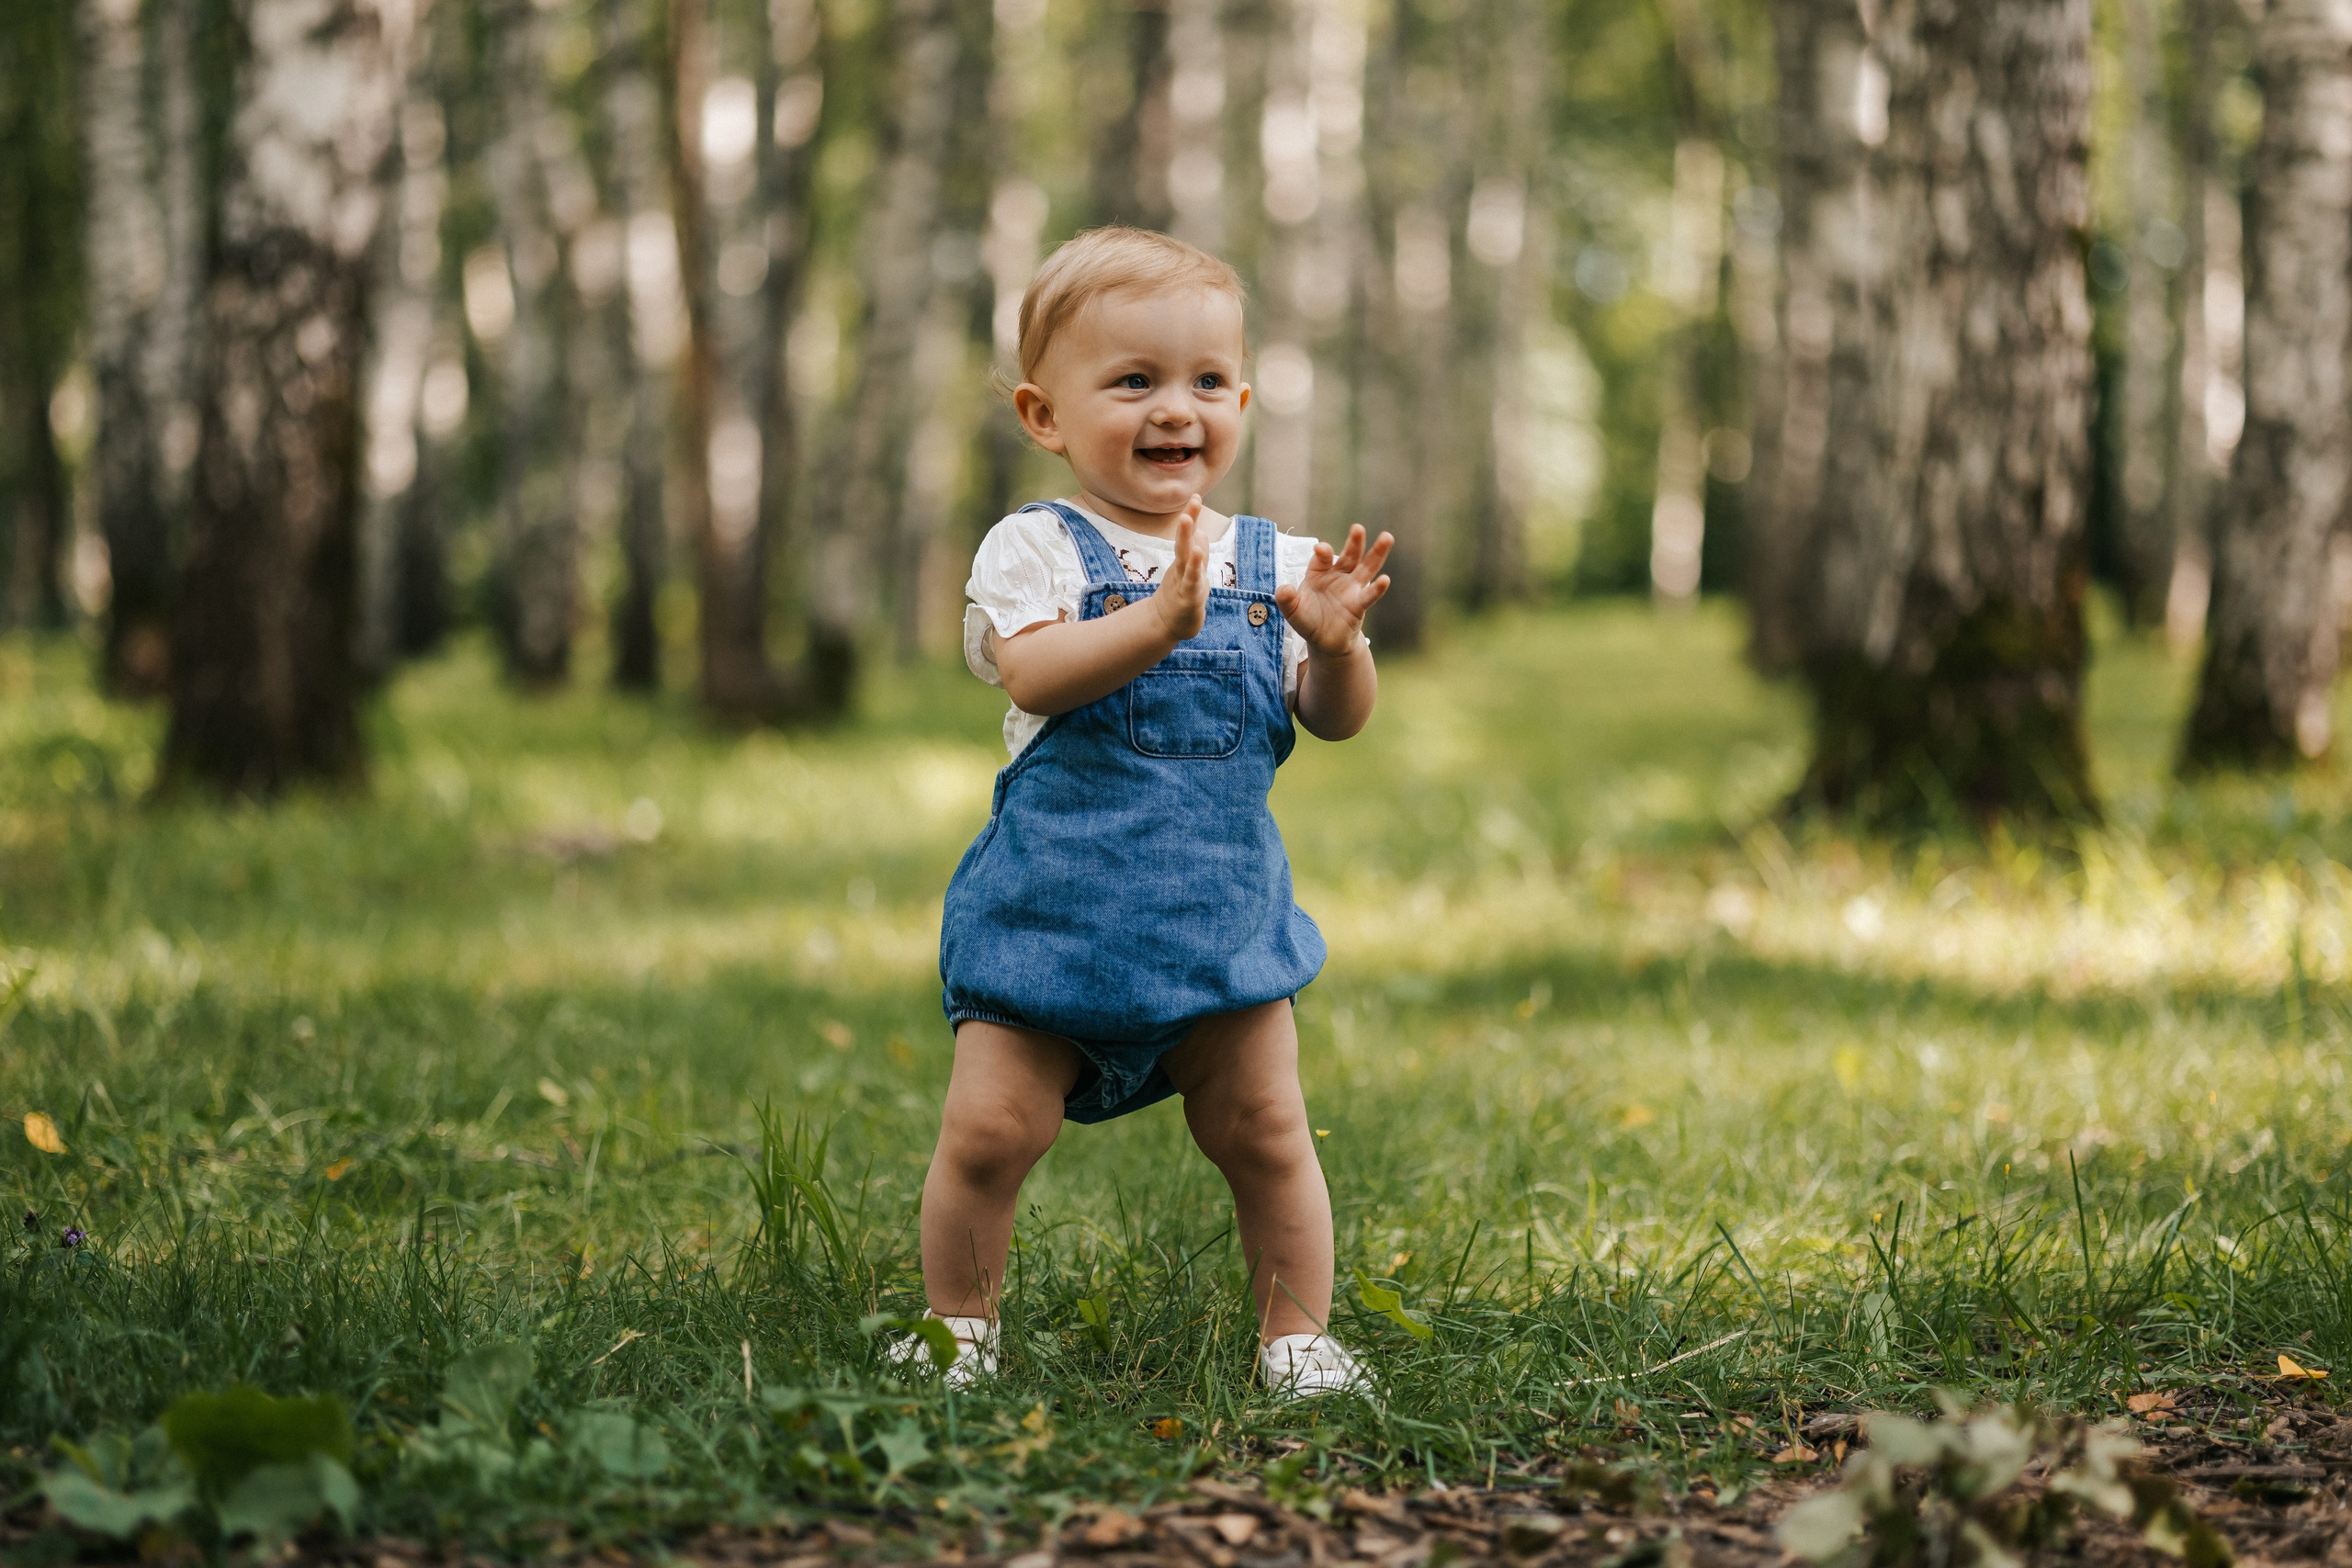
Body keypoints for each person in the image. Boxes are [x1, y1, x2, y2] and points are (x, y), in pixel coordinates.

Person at [917, 227, 1395, 1398]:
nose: (1176, 408)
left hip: (1221, 936)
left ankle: (1297, 1341)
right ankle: (958, 1334)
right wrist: (1155, 622)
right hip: (1050, 929)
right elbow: (1033, 673)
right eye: (1133, 380)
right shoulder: (1037, 547)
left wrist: (1337, 649)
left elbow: (1334, 721)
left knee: (1268, 1136)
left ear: (1241, 401)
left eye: (1208, 381)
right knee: (988, 1137)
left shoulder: (1274, 562)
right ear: (1045, 416)